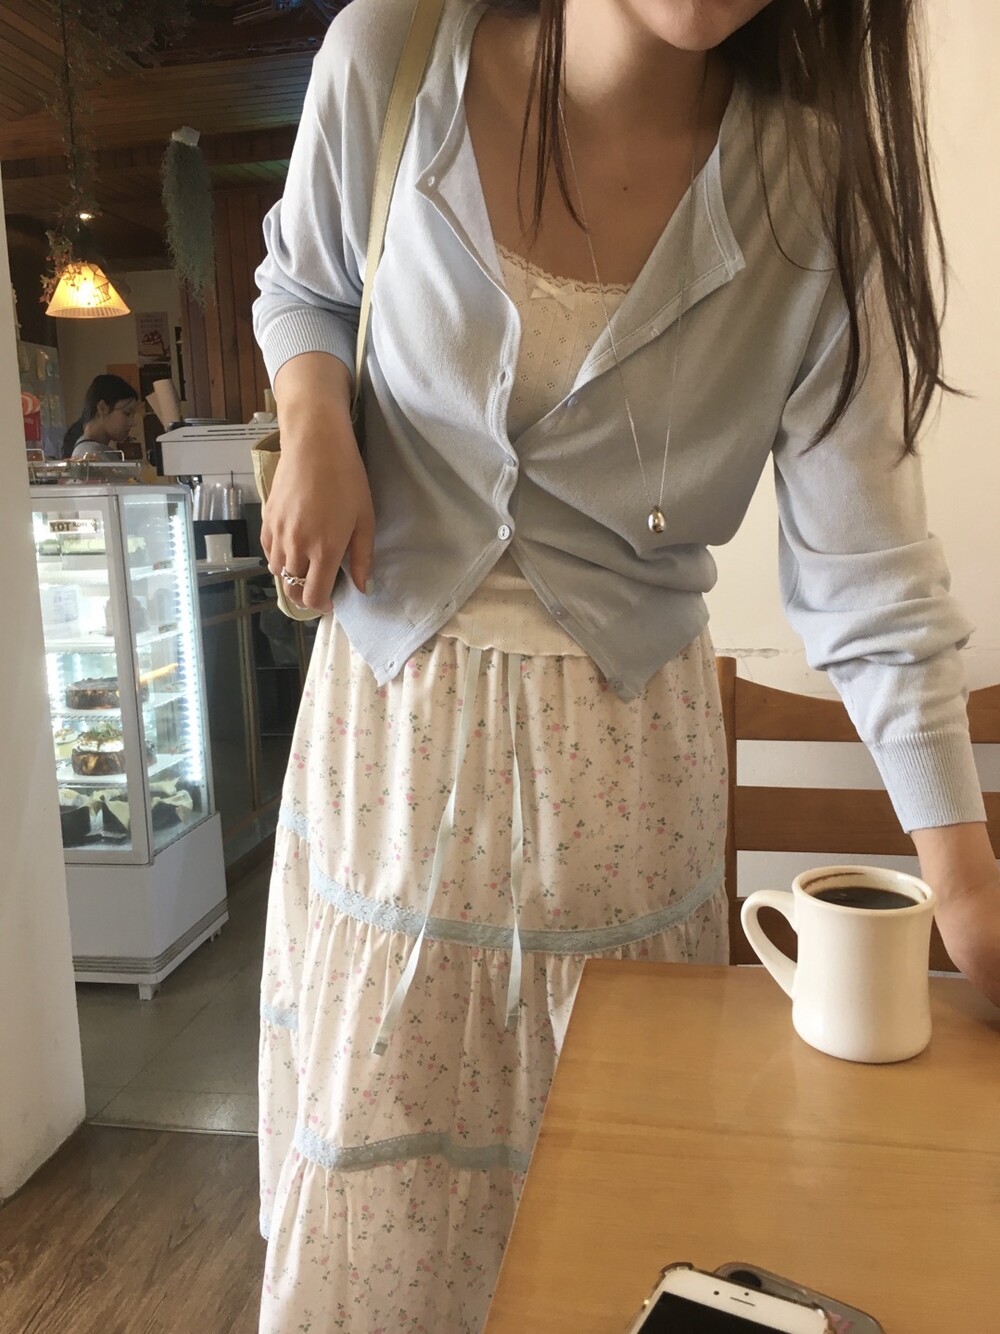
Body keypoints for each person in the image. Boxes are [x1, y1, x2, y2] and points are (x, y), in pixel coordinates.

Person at [252, 1, 1000, 1329]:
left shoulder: (813, 187)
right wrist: (314, 413)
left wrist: (966, 880)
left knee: (612, 1213)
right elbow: (304, 282)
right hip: (392, 756)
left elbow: (868, 573)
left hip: (624, 783)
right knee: (384, 1210)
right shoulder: (394, 55)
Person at [62, 374, 139, 460]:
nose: (133, 423)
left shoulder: (100, 451)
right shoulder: (89, 455)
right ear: (102, 408)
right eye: (127, 413)